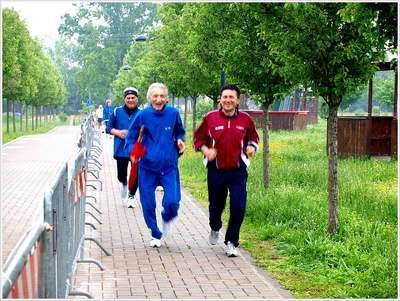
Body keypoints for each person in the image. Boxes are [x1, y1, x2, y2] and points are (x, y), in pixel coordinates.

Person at [193, 84, 259, 257]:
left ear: (238, 100)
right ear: (220, 99)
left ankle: (231, 241)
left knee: (238, 205)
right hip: (216, 170)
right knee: (216, 206)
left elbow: (253, 138)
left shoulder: (246, 119)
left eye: (231, 97)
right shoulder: (210, 118)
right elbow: (198, 139)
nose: (227, 100)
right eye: (225, 97)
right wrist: (205, 150)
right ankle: (215, 227)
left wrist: (251, 147)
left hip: (238, 171)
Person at [125, 82, 186, 248]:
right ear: (149, 98)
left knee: (173, 202)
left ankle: (167, 217)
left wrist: (181, 140)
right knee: (148, 203)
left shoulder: (173, 113)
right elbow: (131, 137)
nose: (159, 99)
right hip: (147, 167)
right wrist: (133, 152)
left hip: (169, 166)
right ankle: (155, 233)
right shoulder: (143, 115)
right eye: (155, 96)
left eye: (162, 96)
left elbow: (180, 131)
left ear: (166, 98)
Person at [106, 87, 141, 208]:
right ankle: (124, 182)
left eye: (133, 98)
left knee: (136, 174)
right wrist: (119, 132)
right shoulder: (117, 111)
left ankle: (131, 196)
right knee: (121, 175)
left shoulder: (142, 113)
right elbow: (108, 128)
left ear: (137, 99)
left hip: (136, 150)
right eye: (128, 98)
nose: (130, 100)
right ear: (125, 99)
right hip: (121, 149)